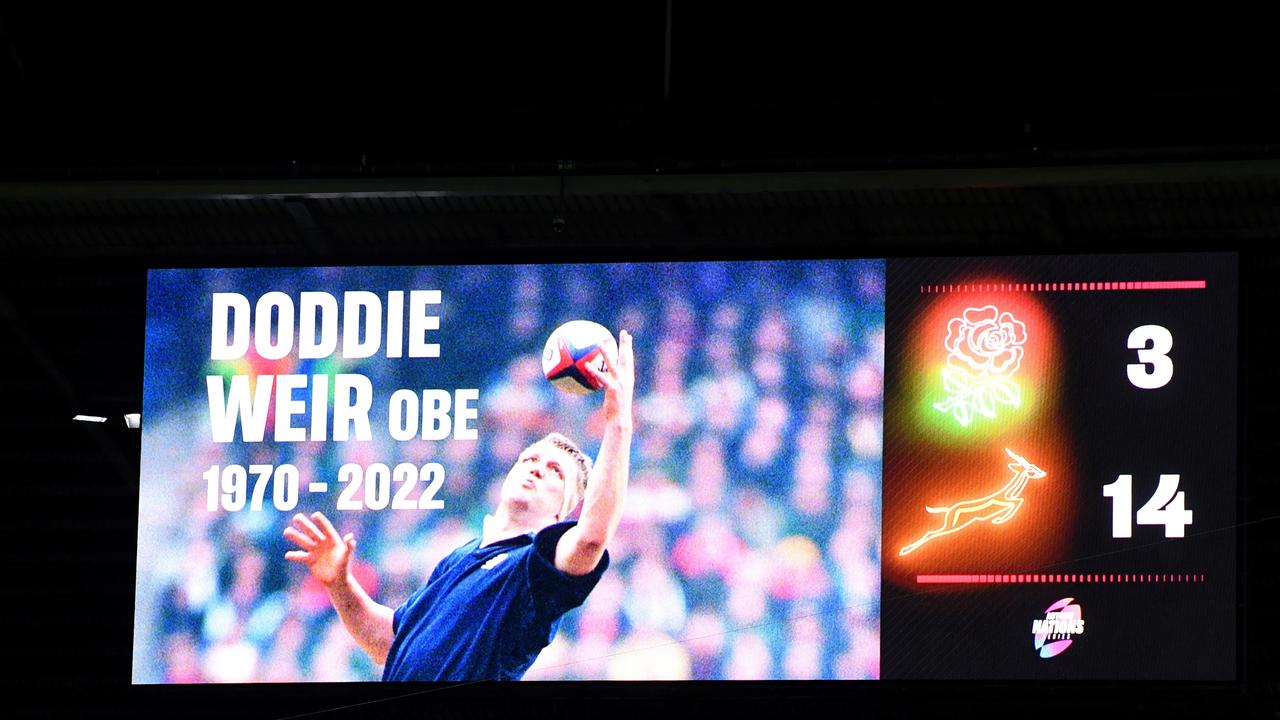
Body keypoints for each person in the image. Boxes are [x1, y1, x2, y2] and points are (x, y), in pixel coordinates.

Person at [283, 330, 635, 681]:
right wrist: (339, 584)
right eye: (530, 460)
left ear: (562, 513)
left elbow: (590, 538)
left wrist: (618, 423)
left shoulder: (534, 569)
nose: (538, 469)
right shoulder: (459, 558)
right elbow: (385, 642)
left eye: (555, 471)